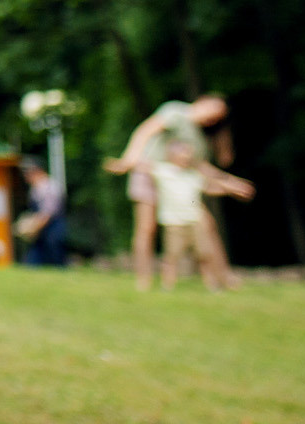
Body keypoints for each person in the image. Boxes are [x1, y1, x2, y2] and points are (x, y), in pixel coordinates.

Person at [105, 94, 253, 291]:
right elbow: (146, 130)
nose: (215, 117)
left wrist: (230, 183)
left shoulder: (200, 138)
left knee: (206, 226)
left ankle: (225, 277)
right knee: (146, 228)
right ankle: (144, 280)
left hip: (178, 186)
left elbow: (200, 167)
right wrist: (130, 158)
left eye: (220, 116)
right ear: (203, 102)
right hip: (149, 173)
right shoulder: (176, 111)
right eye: (215, 110)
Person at [15, 158, 67, 268]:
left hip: (52, 229)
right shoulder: (36, 188)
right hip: (43, 230)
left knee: (55, 261)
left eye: (28, 173)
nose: (26, 177)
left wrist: (32, 228)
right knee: (33, 262)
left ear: (37, 171)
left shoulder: (48, 187)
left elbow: (47, 213)